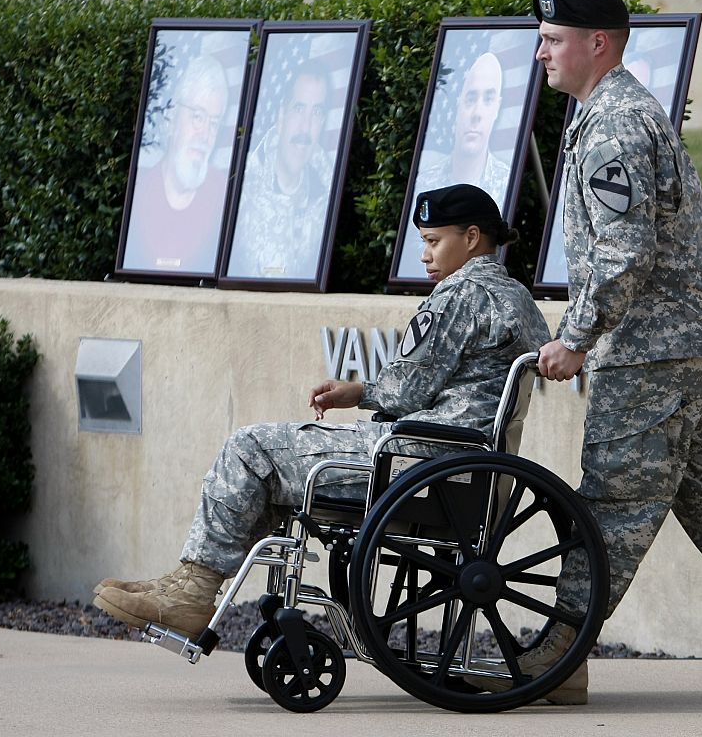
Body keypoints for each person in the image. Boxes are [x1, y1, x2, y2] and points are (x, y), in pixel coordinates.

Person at [478, 0, 702, 705]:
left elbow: (623, 250)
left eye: (552, 39)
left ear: (598, 43)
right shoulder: (615, 114)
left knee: (611, 500)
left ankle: (559, 654)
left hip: (651, 353)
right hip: (687, 348)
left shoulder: (613, 124)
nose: (541, 50)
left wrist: (576, 337)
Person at [94, 183, 550, 641]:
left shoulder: (462, 294)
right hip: (456, 468)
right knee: (269, 462)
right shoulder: (519, 300)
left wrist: (359, 391)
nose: (425, 255)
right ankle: (190, 584)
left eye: (433, 242)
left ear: (472, 238)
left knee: (251, 448)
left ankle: (194, 590)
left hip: (415, 461)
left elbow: (405, 390)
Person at [396, 52, 511, 278]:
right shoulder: (426, 180)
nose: (477, 114)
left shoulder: (507, 179)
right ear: (457, 105)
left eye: (487, 99)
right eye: (470, 99)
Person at [123, 54, 230, 274]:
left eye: (214, 123)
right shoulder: (139, 190)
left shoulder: (224, 197)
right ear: (172, 117)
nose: (205, 135)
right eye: (198, 117)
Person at [227, 66, 336, 279]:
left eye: (316, 112)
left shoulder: (329, 194)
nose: (305, 126)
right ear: (281, 116)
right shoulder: (242, 187)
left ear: (322, 123)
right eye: (298, 108)